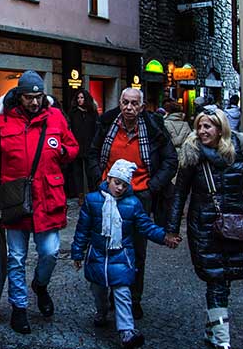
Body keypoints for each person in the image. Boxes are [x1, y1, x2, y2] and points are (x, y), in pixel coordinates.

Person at [166, 106, 243, 349]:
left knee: (224, 281)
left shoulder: (240, 154)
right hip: (204, 227)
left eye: (207, 126)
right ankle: (223, 341)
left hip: (236, 228)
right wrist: (172, 229)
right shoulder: (192, 155)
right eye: (199, 126)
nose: (202, 131)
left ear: (220, 128)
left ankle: (212, 329)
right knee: (216, 279)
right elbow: (180, 193)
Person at [0, 70, 79, 334]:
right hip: (15, 200)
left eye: (38, 97)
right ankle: (19, 307)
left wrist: (62, 151)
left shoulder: (56, 117)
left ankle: (40, 285)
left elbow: (73, 147)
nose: (34, 102)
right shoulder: (1, 121)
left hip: (48, 197)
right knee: (16, 257)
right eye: (28, 97)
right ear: (19, 96)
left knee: (50, 252)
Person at [86, 88, 177, 319]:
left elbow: (170, 160)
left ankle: (133, 299)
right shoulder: (107, 124)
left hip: (139, 196)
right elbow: (93, 154)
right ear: (119, 103)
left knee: (137, 250)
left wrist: (151, 186)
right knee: (107, 245)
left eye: (134, 103)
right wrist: (98, 179)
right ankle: (110, 295)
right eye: (125, 102)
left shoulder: (153, 128)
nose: (129, 107)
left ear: (142, 106)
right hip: (108, 194)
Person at [72, 159, 181, 349]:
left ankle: (127, 331)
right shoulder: (93, 200)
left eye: (124, 185)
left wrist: (164, 237)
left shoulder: (133, 203)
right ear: (109, 179)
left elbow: (146, 226)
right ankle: (101, 312)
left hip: (121, 256)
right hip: (97, 255)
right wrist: (77, 253)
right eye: (117, 183)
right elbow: (83, 229)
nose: (120, 188)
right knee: (98, 291)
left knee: (122, 292)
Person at [66, 88, 99, 204]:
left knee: (91, 172)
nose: (80, 100)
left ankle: (92, 193)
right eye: (78, 98)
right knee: (77, 173)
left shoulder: (92, 113)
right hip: (77, 146)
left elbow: (96, 129)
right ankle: (80, 195)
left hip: (89, 146)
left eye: (82, 98)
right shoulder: (73, 113)